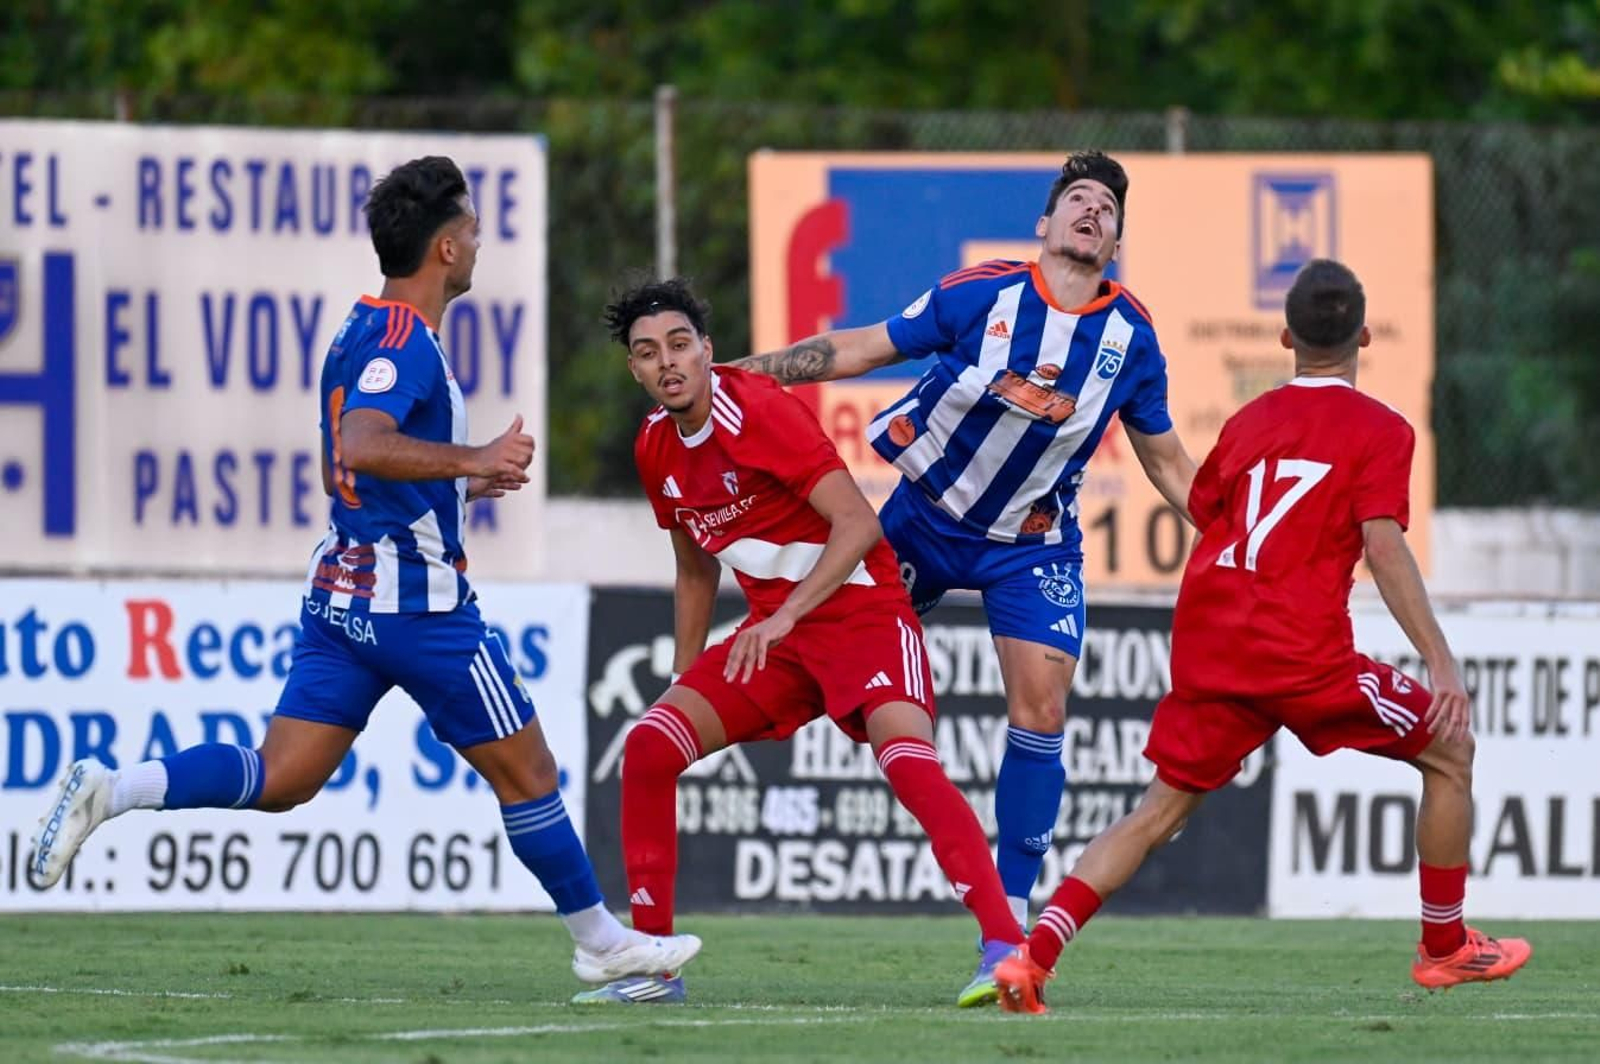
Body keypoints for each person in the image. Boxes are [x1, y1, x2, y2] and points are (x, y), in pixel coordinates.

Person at [29, 155, 700, 989]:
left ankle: (114, 788)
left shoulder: (360, 327)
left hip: (341, 596)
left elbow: (344, 472)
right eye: (472, 228)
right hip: (416, 607)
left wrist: (464, 481)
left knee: (283, 777)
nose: (480, 239)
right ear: (447, 249)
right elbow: (360, 446)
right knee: (530, 773)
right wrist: (477, 453)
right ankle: (602, 942)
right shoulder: (406, 342)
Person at [992, 259, 1532, 1014]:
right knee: (1451, 752)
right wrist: (1440, 660)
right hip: (1302, 654)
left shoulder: (1250, 422)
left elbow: (1211, 509)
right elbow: (1384, 545)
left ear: (1286, 337)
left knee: (1156, 813)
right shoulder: (1382, 430)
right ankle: (1444, 948)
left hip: (1213, 642)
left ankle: (1031, 959)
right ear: (1365, 336)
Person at [732, 151, 1198, 929]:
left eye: (1108, 209)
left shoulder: (1133, 339)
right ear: (1044, 224)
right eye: (1078, 200)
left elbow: (1169, 464)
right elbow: (862, 347)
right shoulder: (983, 293)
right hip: (924, 516)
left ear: (1115, 243)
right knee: (811, 644)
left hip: (1032, 544)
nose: (1093, 212)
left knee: (1043, 708)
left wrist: (1247, 540)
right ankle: (694, 731)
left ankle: (1009, 907)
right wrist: (737, 380)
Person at [574, 277, 1023, 1007]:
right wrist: (685, 678)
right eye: (649, 353)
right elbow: (693, 566)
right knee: (651, 745)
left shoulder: (758, 409)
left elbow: (859, 525)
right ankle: (654, 968)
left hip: (862, 613)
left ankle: (1005, 949)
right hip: (776, 637)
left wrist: (785, 617)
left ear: (708, 351)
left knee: (909, 762)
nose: (668, 363)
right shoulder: (655, 446)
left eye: (680, 345)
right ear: (636, 370)